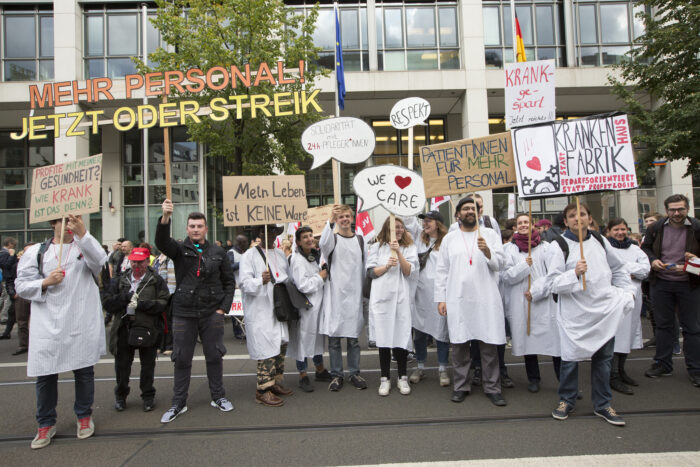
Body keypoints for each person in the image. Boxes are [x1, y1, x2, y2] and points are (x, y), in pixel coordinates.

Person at [15, 215, 107, 449]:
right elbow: (21, 285)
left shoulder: (84, 247)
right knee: (45, 375)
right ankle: (45, 423)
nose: (67, 226)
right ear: (52, 224)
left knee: (84, 370)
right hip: (48, 324)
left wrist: (83, 234)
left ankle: (84, 416)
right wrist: (44, 283)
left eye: (72, 222)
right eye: (62, 222)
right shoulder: (37, 252)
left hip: (79, 321)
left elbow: (100, 262)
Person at [547, 202, 635, 426]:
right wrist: (574, 273)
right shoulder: (558, 245)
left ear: (589, 218)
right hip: (574, 314)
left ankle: (603, 404)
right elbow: (552, 283)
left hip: (602, 311)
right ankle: (567, 400)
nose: (578, 218)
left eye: (582, 214)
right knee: (570, 359)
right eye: (572, 216)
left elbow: (618, 268)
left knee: (603, 359)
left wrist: (627, 292)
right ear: (566, 221)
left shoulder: (599, 240)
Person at [155, 199, 236, 423]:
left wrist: (223, 308)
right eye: (192, 226)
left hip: (212, 313)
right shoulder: (179, 250)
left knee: (214, 355)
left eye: (199, 226)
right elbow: (161, 241)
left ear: (206, 229)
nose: (196, 229)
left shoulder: (218, 252)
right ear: (187, 229)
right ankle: (178, 403)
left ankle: (218, 396)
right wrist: (165, 218)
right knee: (181, 358)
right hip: (183, 312)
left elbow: (229, 282)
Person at [435, 196, 508, 407]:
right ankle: (461, 386)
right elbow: (442, 270)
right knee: (459, 345)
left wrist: (487, 251)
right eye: (465, 208)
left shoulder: (491, 235)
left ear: (478, 213)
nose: (469, 211)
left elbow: (500, 264)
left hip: (485, 297)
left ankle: (493, 387)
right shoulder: (450, 238)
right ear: (457, 214)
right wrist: (441, 298)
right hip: (458, 298)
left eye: (473, 208)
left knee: (488, 345)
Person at [642, 194, 700, 388]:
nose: (676, 213)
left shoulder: (697, 227)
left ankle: (695, 368)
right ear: (666, 210)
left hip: (689, 283)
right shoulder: (655, 228)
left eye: (680, 209)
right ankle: (663, 364)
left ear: (687, 209)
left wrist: (693, 259)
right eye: (673, 209)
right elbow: (646, 249)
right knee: (663, 326)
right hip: (662, 283)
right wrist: (652, 261)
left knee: (692, 328)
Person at [103, 247, 170, 412]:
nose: (137, 265)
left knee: (148, 366)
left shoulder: (156, 280)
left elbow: (164, 303)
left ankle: (148, 396)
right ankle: (121, 395)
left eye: (140, 262)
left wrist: (142, 305)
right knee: (122, 366)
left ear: (148, 262)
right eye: (134, 261)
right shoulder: (120, 279)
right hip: (124, 328)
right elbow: (107, 302)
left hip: (147, 328)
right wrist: (124, 298)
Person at [502, 213, 561, 393]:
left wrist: (536, 291)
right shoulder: (509, 250)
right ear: (515, 227)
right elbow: (506, 276)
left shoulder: (546, 247)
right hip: (520, 301)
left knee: (554, 342)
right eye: (519, 223)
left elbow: (554, 273)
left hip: (543, 301)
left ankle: (564, 381)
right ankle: (533, 378)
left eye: (526, 222)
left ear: (533, 225)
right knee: (528, 342)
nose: (523, 225)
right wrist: (523, 266)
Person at [239, 224, 295, 406]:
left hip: (278, 308)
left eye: (272, 231)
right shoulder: (249, 256)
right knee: (266, 348)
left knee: (280, 345)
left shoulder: (279, 254)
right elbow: (244, 283)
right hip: (261, 309)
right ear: (259, 234)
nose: (270, 235)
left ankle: (274, 383)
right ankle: (262, 390)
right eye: (266, 232)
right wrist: (259, 281)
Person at [367, 217, 418, 396]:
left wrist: (399, 253)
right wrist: (387, 265)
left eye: (401, 227)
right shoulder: (376, 247)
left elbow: (409, 271)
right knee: (383, 339)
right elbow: (371, 273)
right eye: (395, 227)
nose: (398, 230)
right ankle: (385, 378)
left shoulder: (409, 247)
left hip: (401, 299)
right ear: (387, 228)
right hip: (382, 298)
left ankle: (402, 377)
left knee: (401, 337)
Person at [319, 205, 368, 391]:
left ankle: (354, 373)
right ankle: (337, 375)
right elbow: (323, 244)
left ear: (352, 218)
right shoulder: (332, 239)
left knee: (353, 339)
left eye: (347, 216)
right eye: (341, 217)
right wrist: (330, 220)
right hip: (336, 296)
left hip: (354, 295)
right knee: (334, 339)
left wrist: (364, 294)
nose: (345, 219)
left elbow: (364, 268)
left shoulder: (360, 240)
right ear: (337, 220)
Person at [405, 211, 451, 387]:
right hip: (420, 293)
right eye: (424, 221)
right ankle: (420, 366)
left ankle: (442, 368)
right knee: (419, 333)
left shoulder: (447, 241)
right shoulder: (419, 237)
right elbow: (409, 219)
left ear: (438, 223)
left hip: (439, 294)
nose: (425, 224)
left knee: (441, 332)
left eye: (429, 221)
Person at [606, 218, 650, 395]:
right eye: (616, 229)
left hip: (633, 296)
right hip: (614, 297)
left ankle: (621, 370)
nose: (620, 232)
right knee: (615, 335)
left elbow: (646, 270)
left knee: (627, 335)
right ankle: (612, 375)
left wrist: (624, 268)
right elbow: (607, 270)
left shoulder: (635, 249)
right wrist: (629, 270)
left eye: (623, 229)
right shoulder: (605, 249)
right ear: (609, 231)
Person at [288, 226, 332, 392]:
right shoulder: (298, 260)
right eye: (304, 237)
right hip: (305, 308)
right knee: (303, 341)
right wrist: (320, 277)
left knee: (316, 339)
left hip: (317, 306)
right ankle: (303, 374)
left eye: (310, 236)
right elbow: (303, 285)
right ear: (298, 242)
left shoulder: (312, 257)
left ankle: (320, 369)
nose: (309, 239)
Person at [641, 212, 663, 347]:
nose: (648, 223)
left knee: (664, 312)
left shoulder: (661, 235)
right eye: (647, 221)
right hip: (648, 277)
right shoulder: (646, 237)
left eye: (652, 220)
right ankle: (656, 336)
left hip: (661, 275)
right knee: (653, 309)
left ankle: (674, 344)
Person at [227, 234, 249, 340]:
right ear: (240, 243)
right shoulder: (231, 253)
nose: (247, 244)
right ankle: (237, 331)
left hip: (245, 285)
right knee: (237, 311)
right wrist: (242, 263)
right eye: (245, 242)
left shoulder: (246, 253)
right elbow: (229, 267)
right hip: (235, 285)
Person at [0, 237, 18, 326]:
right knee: (7, 298)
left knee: (4, 297)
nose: (14, 247)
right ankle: (4, 317)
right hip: (8, 277)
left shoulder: (3, 253)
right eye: (14, 245)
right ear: (9, 244)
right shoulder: (5, 253)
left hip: (6, 277)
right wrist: (11, 256)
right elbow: (5, 265)